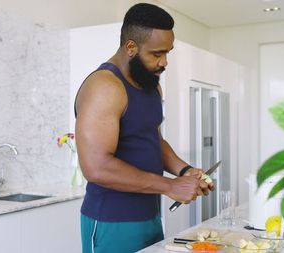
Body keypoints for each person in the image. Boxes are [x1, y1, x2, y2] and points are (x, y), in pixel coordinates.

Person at [74, 3, 214, 253]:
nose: (165, 62)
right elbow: (96, 167)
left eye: (168, 52)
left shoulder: (151, 86)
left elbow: (152, 139)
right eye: (157, 53)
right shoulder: (105, 87)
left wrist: (184, 170)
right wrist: (170, 186)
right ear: (131, 47)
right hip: (111, 219)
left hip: (150, 216)